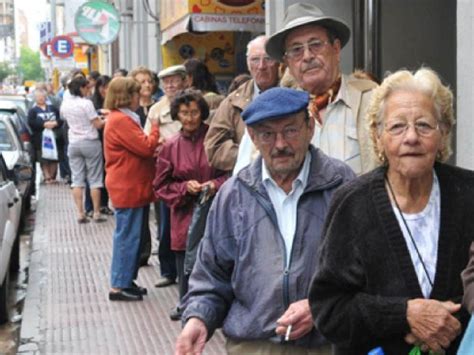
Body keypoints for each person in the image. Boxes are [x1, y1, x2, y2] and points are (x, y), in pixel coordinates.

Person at [176, 87, 355, 355]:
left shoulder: (342, 185)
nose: (280, 144)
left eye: (291, 131)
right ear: (252, 137)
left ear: (310, 128)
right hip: (253, 346)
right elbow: (212, 276)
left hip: (327, 344)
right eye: (267, 134)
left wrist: (320, 307)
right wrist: (198, 319)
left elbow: (364, 271)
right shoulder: (233, 194)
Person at [308, 68, 474, 354]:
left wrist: (444, 322)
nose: (411, 137)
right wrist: (404, 316)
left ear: (443, 132)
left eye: (424, 125)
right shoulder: (352, 204)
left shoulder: (468, 194)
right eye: (397, 126)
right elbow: (329, 310)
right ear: (378, 135)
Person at [265, 2, 378, 174]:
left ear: (336, 49)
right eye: (296, 50)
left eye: (315, 44)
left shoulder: (372, 101)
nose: (308, 56)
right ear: (287, 62)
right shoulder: (274, 112)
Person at [153, 89, 227, 320]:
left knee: (217, 260)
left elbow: (231, 172)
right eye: (184, 113)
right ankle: (186, 303)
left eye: (194, 112)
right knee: (186, 262)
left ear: (202, 113)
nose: (190, 118)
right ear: (177, 114)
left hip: (216, 211)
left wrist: (215, 184)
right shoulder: (170, 146)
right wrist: (185, 188)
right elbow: (160, 186)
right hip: (184, 213)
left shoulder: (214, 139)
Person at [103, 77, 160, 301]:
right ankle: (119, 285)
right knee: (127, 236)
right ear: (127, 96)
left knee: (132, 235)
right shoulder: (120, 120)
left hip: (130, 183)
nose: (140, 96)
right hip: (127, 185)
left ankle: (127, 280)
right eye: (137, 93)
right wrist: (155, 129)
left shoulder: (121, 118)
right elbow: (145, 147)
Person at [204, 35, 280, 172]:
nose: (261, 66)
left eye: (268, 59)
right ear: (248, 64)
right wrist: (251, 156)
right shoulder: (233, 101)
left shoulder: (294, 93)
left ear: (279, 61)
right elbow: (214, 147)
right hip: (249, 183)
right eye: (255, 60)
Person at [147, 64, 189, 288]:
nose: (170, 85)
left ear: (184, 81)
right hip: (166, 169)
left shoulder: (193, 102)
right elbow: (148, 139)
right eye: (166, 82)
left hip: (191, 167)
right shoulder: (156, 110)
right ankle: (168, 270)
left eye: (174, 80)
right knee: (165, 223)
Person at [60, 76, 106, 223]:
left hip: (73, 143)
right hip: (90, 142)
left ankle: (80, 213)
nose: (89, 90)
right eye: (87, 88)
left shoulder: (65, 104)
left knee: (77, 180)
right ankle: (97, 212)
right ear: (81, 88)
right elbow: (97, 124)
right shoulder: (86, 103)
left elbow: (66, 120)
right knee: (95, 179)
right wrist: (108, 119)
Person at [129, 66, 157, 267]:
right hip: (141, 164)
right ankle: (142, 251)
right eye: (142, 81)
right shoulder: (132, 112)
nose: (146, 85)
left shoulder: (159, 105)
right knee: (142, 208)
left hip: (160, 162)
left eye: (149, 81)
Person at [84, 75, 113, 217]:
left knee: (107, 174)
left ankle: (104, 204)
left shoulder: (114, 102)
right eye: (103, 87)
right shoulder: (92, 103)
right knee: (94, 174)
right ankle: (90, 206)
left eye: (108, 87)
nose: (105, 90)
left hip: (110, 142)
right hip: (96, 142)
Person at [28, 89, 63, 184]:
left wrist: (55, 123)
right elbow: (31, 122)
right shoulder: (33, 111)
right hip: (40, 138)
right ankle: (47, 176)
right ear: (35, 98)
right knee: (43, 157)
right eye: (38, 97)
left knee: (54, 157)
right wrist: (44, 124)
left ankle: (53, 176)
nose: (41, 98)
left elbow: (61, 119)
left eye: (42, 96)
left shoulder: (53, 108)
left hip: (55, 137)